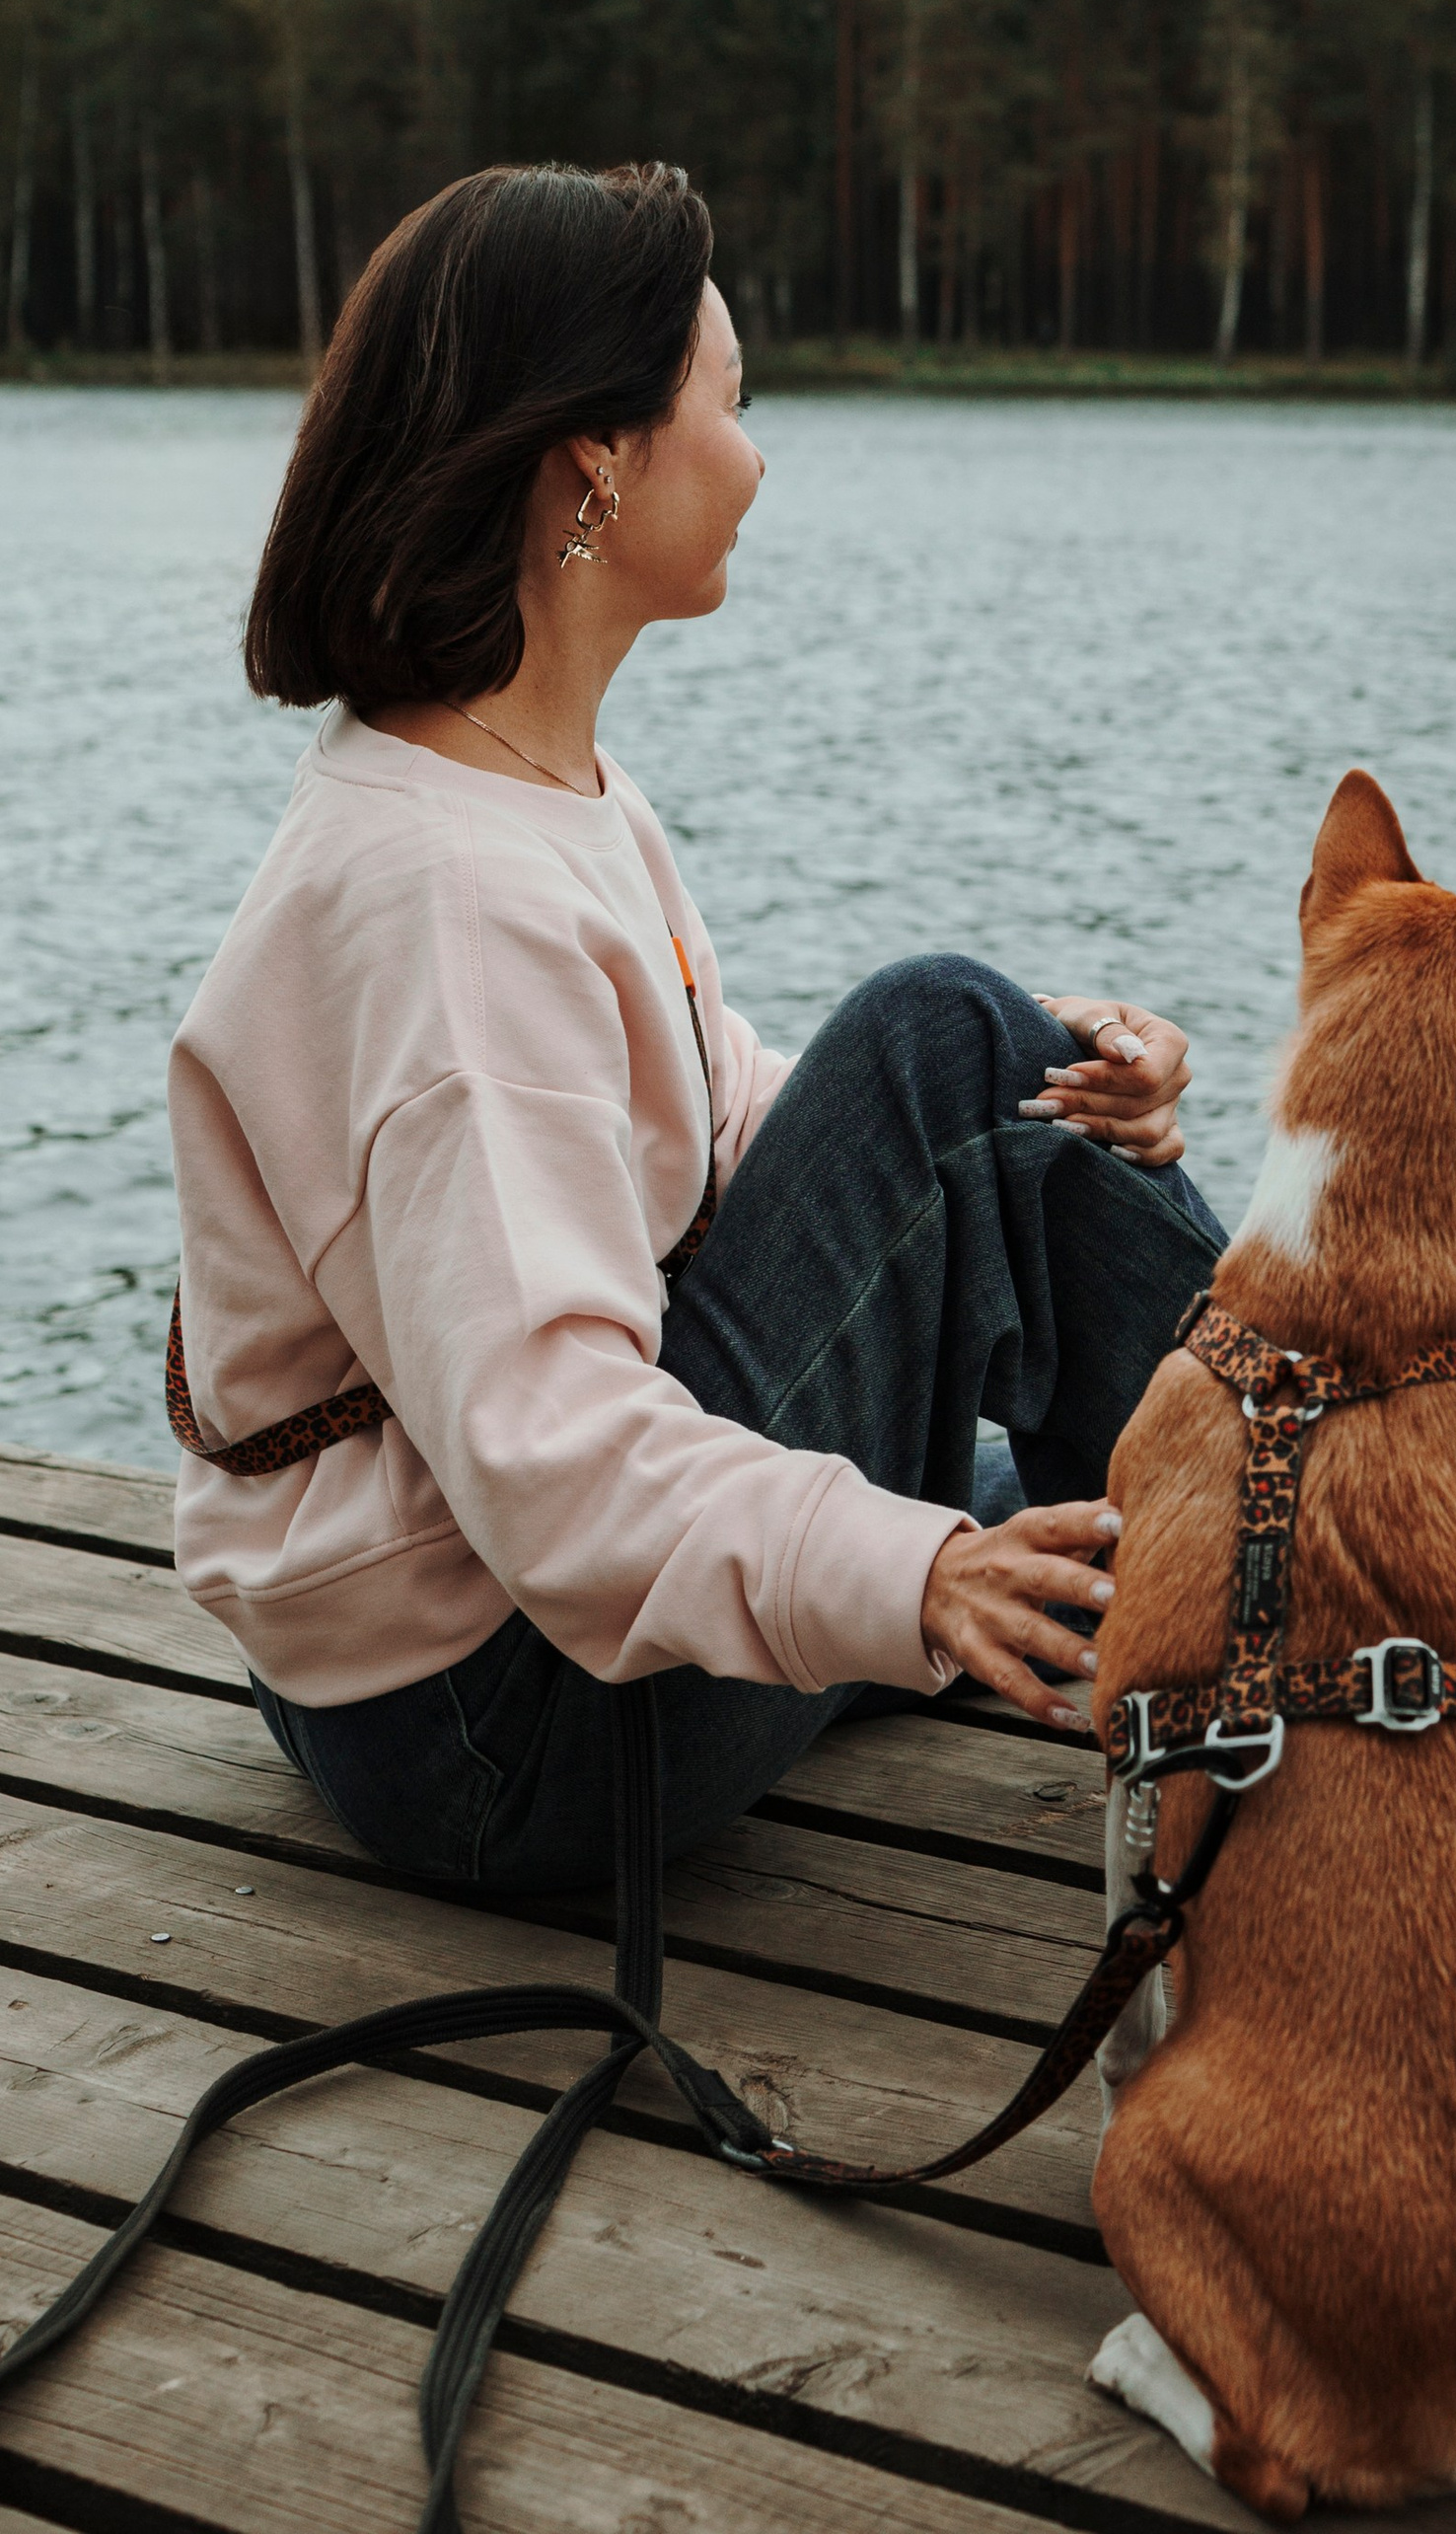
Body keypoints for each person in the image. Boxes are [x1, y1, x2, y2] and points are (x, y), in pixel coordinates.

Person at [166, 160, 1231, 1894]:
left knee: (982, 1090)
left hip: (425, 1660)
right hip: (505, 1730)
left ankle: (1280, 1592)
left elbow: (709, 1122)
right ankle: (1320, 1622)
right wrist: (914, 1581)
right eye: (730, 403)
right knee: (948, 1060)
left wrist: (1061, 1100)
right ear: (593, 458)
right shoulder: (447, 900)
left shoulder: (523, 789)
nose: (756, 455)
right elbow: (562, 1463)